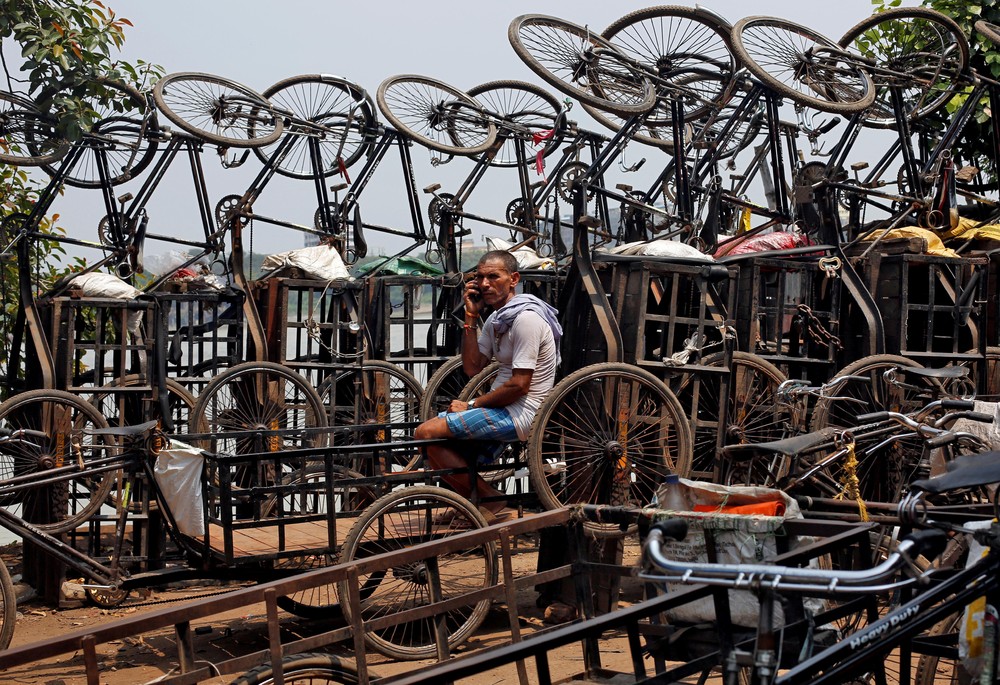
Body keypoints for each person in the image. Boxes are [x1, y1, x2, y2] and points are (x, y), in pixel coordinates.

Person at [414, 250, 561, 523]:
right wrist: (471, 316)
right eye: (480, 277)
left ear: (513, 279)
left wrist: (471, 405)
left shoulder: (526, 319)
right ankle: (473, 503)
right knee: (432, 443)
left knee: (426, 432)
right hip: (503, 408)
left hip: (522, 413)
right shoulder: (497, 319)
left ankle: (490, 501)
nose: (484, 284)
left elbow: (519, 386)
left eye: (494, 276)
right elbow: (472, 366)